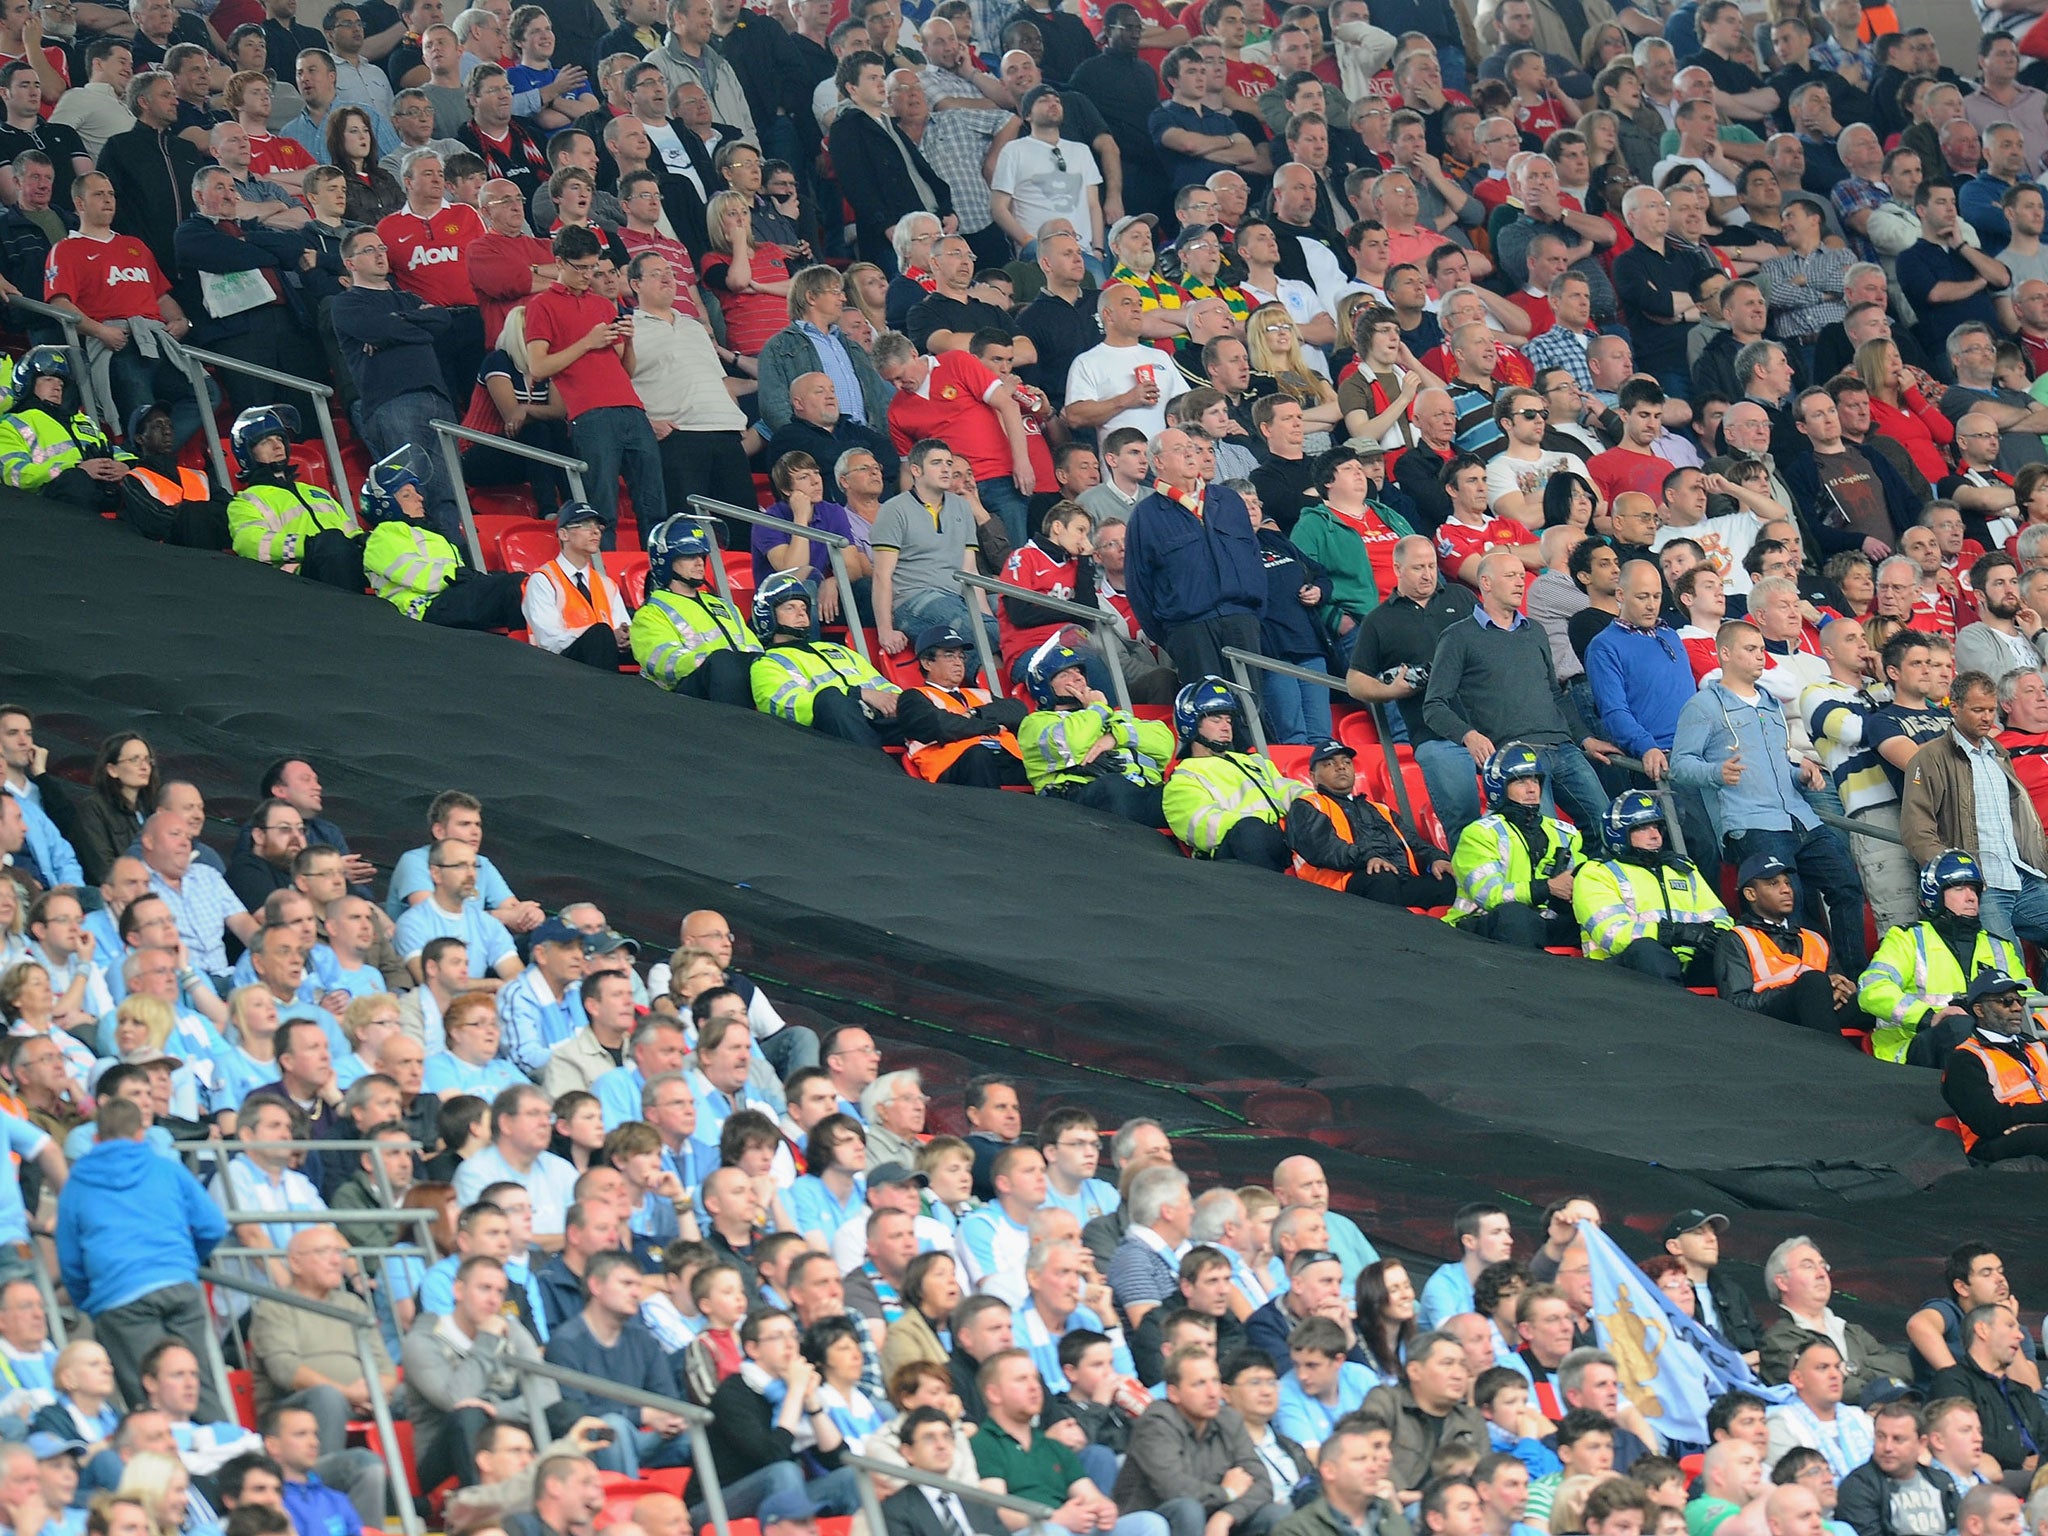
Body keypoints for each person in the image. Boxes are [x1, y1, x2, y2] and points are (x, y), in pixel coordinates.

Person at [1672, 620, 1867, 977]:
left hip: (1798, 815)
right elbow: (1679, 765)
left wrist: (1802, 773)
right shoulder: (1703, 706)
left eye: (1762, 649)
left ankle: (1852, 978)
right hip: (1750, 822)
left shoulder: (1771, 703)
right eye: (1750, 649)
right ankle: (1806, 979)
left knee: (1847, 885)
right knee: (1787, 904)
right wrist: (1715, 773)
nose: (1761, 657)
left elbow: (1778, 763)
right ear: (1725, 654)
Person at [1423, 547, 1615, 836]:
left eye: (1521, 575)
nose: (1520, 582)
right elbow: (1434, 705)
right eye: (1510, 575)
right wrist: (1468, 735)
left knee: (1605, 827)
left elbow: (1555, 693)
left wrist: (1585, 737)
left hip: (1564, 747)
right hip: (1514, 756)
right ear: (1485, 583)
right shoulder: (1458, 636)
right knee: (1543, 837)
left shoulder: (1535, 630)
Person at [55, 1097, 225, 1420]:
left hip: (119, 1300)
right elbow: (213, 1225)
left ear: (95, 1138)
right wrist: (185, 1264)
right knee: (195, 1385)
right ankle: (226, 1459)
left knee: (151, 1399)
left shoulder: (76, 1185)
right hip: (178, 1285)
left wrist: (90, 1303)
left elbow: (71, 1261)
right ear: (140, 1133)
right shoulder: (167, 1168)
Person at [523, 223, 665, 549]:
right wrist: (587, 342)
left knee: (653, 503)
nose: (589, 275)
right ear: (559, 263)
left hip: (630, 407)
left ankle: (656, 577)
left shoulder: (603, 304)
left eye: (593, 267)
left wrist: (628, 343)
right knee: (602, 505)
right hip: (589, 413)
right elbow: (538, 366)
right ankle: (607, 578)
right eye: (581, 268)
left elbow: (625, 369)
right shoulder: (541, 305)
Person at [1899, 670, 2048, 947]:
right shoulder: (1930, 757)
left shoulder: (1998, 753)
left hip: (2022, 877)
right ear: (1954, 708)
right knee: (2005, 971)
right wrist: (1957, 877)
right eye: (1978, 709)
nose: (1987, 717)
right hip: (1982, 884)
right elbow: (1916, 829)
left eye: (1991, 710)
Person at [1858, 851, 2026, 1068]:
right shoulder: (1908, 938)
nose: (1971, 897)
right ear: (1934, 895)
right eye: (1959, 888)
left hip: (1989, 1049)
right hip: (1910, 1047)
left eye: (1974, 889)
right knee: (1959, 1027)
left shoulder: (2000, 947)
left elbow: (2029, 998)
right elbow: (1871, 988)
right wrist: (1928, 1017)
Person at [1125, 429, 1265, 685]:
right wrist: (1172, 636)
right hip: (1189, 629)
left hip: (1241, 620)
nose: (1190, 453)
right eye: (1179, 449)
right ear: (1158, 462)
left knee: (1251, 709)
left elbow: (1254, 559)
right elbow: (1139, 587)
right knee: (1208, 713)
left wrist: (1252, 615)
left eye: (1193, 447)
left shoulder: (1229, 500)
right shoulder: (1145, 515)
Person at [1572, 790, 1731, 984]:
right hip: (1617, 973)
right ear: (1619, 833)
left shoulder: (1682, 869)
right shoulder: (1595, 873)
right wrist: (1674, 933)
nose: (1655, 835)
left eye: (1656, 827)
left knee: (1729, 949)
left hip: (1686, 966)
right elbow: (1612, 935)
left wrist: (1712, 937)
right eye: (1643, 828)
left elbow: (1721, 918)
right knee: (1646, 949)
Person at [361, 449, 527, 629]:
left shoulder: (431, 534)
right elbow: (412, 573)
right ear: (385, 504)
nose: (420, 498)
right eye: (407, 495)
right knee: (513, 586)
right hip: (421, 608)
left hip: (447, 600)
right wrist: (455, 575)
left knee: (524, 587)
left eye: (416, 492)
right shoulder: (383, 534)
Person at [1017, 639, 1174, 827]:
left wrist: (1116, 737)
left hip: (1142, 791)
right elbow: (1072, 742)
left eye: (1079, 672)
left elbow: (1165, 742)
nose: (1078, 678)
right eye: (1064, 674)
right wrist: (1097, 707)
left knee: (1183, 791)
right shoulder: (1035, 723)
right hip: (1076, 804)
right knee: (1114, 787)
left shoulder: (1113, 716)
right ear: (1045, 686)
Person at [1445, 742, 1586, 948]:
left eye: (1535, 781)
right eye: (1521, 782)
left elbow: (1576, 881)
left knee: (1589, 921)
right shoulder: (1479, 833)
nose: (1532, 789)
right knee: (1514, 914)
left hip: (1542, 921)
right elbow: (1489, 896)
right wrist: (1548, 888)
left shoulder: (1565, 833)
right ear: (1499, 787)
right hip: (1480, 925)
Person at [1286, 739, 1455, 906]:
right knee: (1381, 879)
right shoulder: (1307, 805)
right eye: (1329, 764)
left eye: (1346, 762)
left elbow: (1415, 844)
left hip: (1397, 879)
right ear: (1313, 777)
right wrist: (1368, 858)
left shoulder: (1381, 809)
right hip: (1341, 888)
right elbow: (1323, 847)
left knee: (1447, 882)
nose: (1341, 766)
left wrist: (1436, 859)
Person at [749, 572, 901, 751]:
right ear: (768, 616)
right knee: (829, 699)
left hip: (880, 718)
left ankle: (942, 765)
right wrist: (857, 694)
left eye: (804, 608)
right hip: (829, 731)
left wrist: (898, 700)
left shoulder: (836, 649)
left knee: (916, 699)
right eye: (790, 608)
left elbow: (880, 684)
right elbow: (787, 707)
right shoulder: (766, 664)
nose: (801, 614)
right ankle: (880, 771)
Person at [1161, 678, 1303, 869]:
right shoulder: (1183, 779)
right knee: (1250, 831)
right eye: (1216, 719)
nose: (1226, 726)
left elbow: (1287, 788)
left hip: (1281, 842)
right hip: (1234, 859)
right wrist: (1266, 823)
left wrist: (1311, 805)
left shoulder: (1254, 761)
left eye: (1228, 720)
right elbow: (1206, 827)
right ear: (1191, 723)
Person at [1716, 853, 1862, 1036]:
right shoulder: (1737, 938)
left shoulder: (1814, 938)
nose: (1786, 890)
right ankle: (1835, 1059)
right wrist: (1799, 989)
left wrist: (1844, 989)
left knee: (1871, 998)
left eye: (1788, 883)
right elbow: (1736, 1003)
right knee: (1813, 981)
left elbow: (1836, 986)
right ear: (1750, 894)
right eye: (1773, 883)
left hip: (1819, 1012)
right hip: (1770, 1019)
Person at [1757, 1237, 1910, 1408]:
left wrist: (1852, 1367)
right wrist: (1881, 1388)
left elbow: (1903, 1368)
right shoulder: (1778, 1340)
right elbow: (1822, 1390)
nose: (1821, 1273)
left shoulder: (1851, 1331)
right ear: (1782, 1282)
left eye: (1823, 1266)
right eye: (1808, 1266)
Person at [631, 516, 760, 706]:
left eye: (701, 556)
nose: (700, 562)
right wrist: (714, 662)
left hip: (735, 683)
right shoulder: (651, 613)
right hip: (686, 701)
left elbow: (754, 648)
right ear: (666, 561)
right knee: (722, 662)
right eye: (690, 556)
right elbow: (664, 662)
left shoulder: (723, 605)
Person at [897, 625, 1029, 789]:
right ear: (927, 663)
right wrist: (992, 727)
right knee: (978, 754)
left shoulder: (979, 694)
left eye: (961, 657)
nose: (958, 663)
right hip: (954, 766)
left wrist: (975, 713)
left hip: (1005, 759)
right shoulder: (913, 697)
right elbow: (942, 727)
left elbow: (1018, 711)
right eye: (949, 656)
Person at [0, 346, 128, 514]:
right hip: (49, 506)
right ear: (27, 381)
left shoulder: (82, 421)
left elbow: (115, 450)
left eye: (61, 383)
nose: (57, 387)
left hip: (103, 491)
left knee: (148, 473)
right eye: (49, 379)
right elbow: (16, 474)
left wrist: (125, 466)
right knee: (76, 481)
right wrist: (76, 468)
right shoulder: (12, 424)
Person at [1941, 975, 2048, 1162]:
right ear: (1980, 1010)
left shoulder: (2036, 1046)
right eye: (2006, 1001)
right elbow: (1989, 1121)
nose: (2017, 1008)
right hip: (1992, 1143)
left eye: (2019, 1000)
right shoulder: (1965, 1059)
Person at [520, 503, 630, 669]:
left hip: (604, 656)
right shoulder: (543, 579)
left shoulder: (607, 584)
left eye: (598, 527)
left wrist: (624, 636)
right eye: (586, 525)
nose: (596, 532)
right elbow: (549, 641)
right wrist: (604, 636)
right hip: (559, 665)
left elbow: (621, 628)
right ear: (563, 534)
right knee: (601, 633)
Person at [1835, 1400, 1960, 1536]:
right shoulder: (1857, 1487)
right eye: (1881, 1437)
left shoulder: (1942, 1481)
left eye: (1898, 1439)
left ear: (1921, 1443)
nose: (1887, 1447)